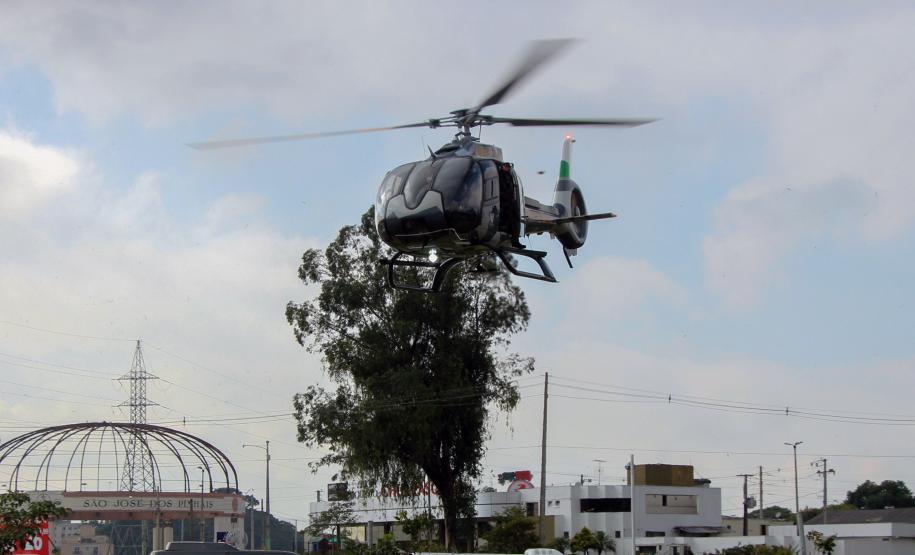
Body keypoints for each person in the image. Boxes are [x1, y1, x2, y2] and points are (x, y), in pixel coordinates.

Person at [498, 162, 524, 248]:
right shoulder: (499, 175)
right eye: (506, 166)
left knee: (515, 218)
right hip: (502, 202)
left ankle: (515, 239)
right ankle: (510, 237)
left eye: (508, 167)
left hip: (510, 201)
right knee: (508, 217)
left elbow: (511, 189)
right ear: (502, 167)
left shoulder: (509, 176)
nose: (507, 168)